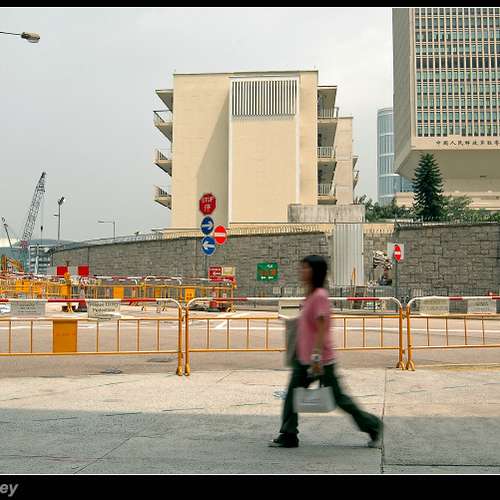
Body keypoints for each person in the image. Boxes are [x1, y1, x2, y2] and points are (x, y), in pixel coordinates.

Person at [269, 255, 383, 449]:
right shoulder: (311, 295)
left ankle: (372, 425)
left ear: (316, 272)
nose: (302, 271)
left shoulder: (319, 296)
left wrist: (316, 356)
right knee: (292, 396)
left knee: (338, 398)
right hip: (304, 359)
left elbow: (322, 326)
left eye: (306, 268)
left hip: (319, 360)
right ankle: (289, 434)